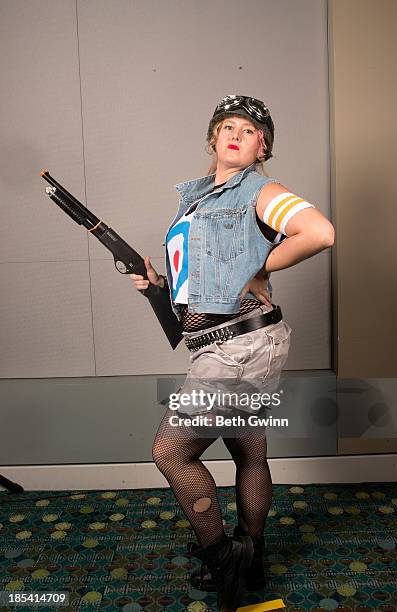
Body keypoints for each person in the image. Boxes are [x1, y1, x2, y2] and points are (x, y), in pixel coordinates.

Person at [130, 95, 335, 611]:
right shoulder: (198, 199)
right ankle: (255, 558)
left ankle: (224, 555)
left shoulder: (259, 190)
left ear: (263, 145)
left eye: (249, 129)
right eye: (226, 126)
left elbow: (319, 232)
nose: (236, 133)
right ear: (212, 139)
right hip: (237, 341)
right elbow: (206, 272)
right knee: (249, 452)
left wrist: (262, 266)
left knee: (172, 452)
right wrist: (160, 284)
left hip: (239, 345)